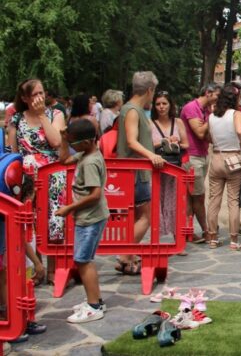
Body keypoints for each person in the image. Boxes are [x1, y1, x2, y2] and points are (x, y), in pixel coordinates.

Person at [8, 79, 67, 283]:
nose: (40, 97)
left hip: (52, 175)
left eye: (42, 92)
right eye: (35, 94)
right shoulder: (16, 119)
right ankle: (36, 265)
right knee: (30, 221)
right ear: (25, 98)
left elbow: (57, 142)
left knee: (54, 220)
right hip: (27, 176)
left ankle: (53, 270)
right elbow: (13, 152)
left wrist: (42, 115)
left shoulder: (55, 114)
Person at [55, 119, 108, 323]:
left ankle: (94, 306)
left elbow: (95, 194)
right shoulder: (85, 154)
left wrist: (69, 208)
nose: (71, 146)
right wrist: (62, 138)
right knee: (84, 259)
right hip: (88, 217)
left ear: (86, 142)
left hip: (90, 218)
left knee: (83, 261)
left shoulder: (91, 162)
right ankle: (96, 301)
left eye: (73, 143)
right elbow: (64, 160)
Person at [116, 71, 165, 274]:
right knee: (146, 217)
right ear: (149, 90)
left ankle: (129, 254)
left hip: (135, 171)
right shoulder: (133, 111)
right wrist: (150, 156)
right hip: (136, 172)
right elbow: (131, 140)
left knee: (137, 217)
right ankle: (124, 255)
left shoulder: (132, 110)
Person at [206, 85, 241, 251]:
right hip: (233, 157)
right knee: (233, 200)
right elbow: (240, 131)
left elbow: (210, 137)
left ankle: (212, 237)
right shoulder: (236, 113)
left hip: (217, 157)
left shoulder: (211, 116)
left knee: (214, 200)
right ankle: (233, 239)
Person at [180, 83, 220, 243]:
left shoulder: (205, 111)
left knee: (191, 197)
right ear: (208, 93)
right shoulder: (192, 108)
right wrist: (211, 117)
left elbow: (209, 136)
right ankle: (206, 230)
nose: (219, 98)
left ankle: (187, 231)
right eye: (217, 95)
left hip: (202, 154)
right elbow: (200, 132)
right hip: (192, 156)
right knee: (198, 195)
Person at [150, 91, 189, 237]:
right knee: (156, 202)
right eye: (158, 104)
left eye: (164, 103)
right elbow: (146, 145)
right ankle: (157, 238)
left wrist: (175, 141)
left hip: (174, 168)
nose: (161, 107)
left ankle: (177, 237)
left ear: (170, 105)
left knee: (174, 202)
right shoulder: (150, 123)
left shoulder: (178, 122)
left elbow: (186, 144)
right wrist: (162, 141)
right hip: (156, 168)